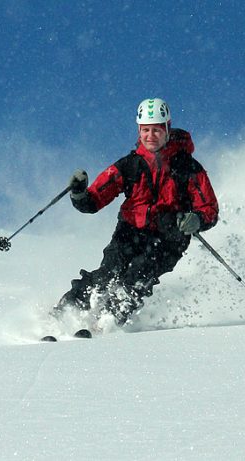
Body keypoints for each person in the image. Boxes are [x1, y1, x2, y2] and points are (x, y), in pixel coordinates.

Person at [54, 98, 219, 326]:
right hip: (129, 232)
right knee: (108, 273)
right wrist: (80, 194)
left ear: (167, 129)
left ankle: (108, 320)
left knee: (138, 276)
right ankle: (64, 313)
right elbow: (94, 200)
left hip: (169, 238)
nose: (151, 135)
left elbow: (209, 208)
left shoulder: (188, 167)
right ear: (139, 130)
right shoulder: (130, 165)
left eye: (157, 130)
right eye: (146, 130)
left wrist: (196, 220)